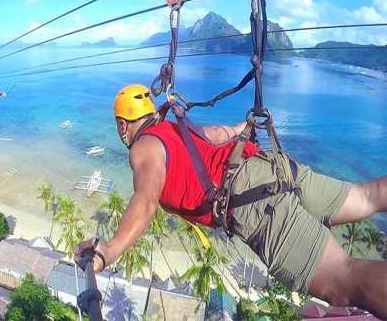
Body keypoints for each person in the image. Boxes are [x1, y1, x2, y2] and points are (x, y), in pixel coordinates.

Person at [74, 84, 387, 318]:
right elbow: (217, 134)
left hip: (253, 203)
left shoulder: (142, 148)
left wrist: (111, 249)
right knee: (366, 196)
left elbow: (145, 200)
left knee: (341, 278)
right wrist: (244, 126)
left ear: (122, 124)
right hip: (271, 166)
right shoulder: (174, 128)